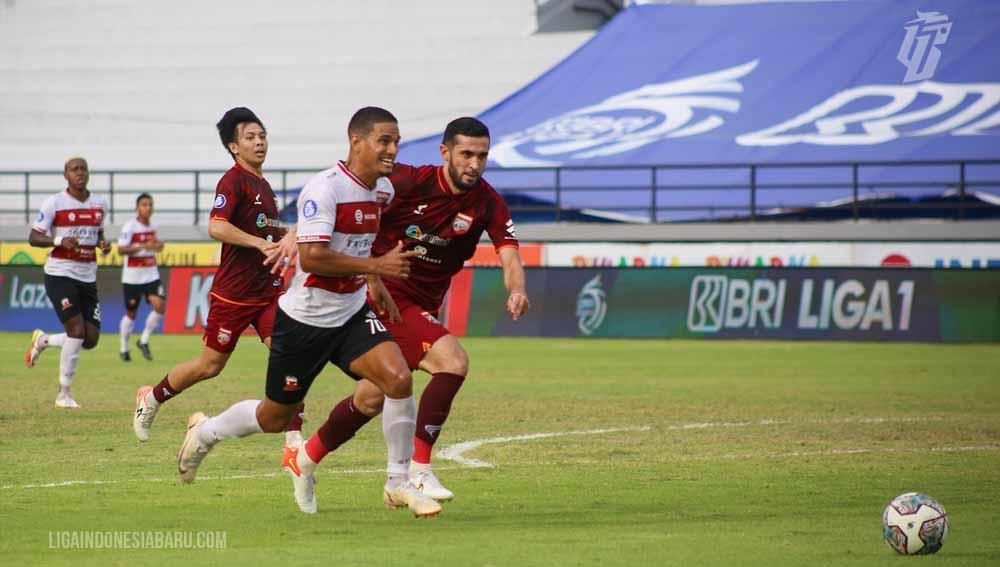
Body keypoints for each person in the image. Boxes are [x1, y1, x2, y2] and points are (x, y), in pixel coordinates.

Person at [177, 107, 441, 518]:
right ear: (357, 142)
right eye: (384, 141)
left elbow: (360, 239)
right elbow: (314, 258)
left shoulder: (382, 191)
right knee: (274, 416)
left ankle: (398, 482)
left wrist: (373, 282)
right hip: (304, 321)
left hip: (350, 313)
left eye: (396, 141)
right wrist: (376, 268)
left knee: (398, 378)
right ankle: (207, 432)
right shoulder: (325, 188)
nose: (393, 150)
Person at [282, 117, 528, 502]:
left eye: (482, 156)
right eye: (466, 154)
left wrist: (517, 289)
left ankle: (306, 457)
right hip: (386, 294)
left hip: (423, 304)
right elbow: (348, 194)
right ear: (445, 152)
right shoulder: (409, 181)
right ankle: (418, 472)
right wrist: (302, 230)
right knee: (452, 362)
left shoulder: (488, 202)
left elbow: (509, 254)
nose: (474, 164)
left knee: (370, 398)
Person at [132, 107, 299, 442]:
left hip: (268, 292)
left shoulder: (265, 187)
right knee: (210, 366)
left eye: (262, 135)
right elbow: (216, 225)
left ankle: (294, 439)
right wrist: (258, 243)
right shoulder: (233, 180)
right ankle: (151, 398)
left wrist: (291, 234)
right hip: (234, 295)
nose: (259, 142)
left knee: (289, 352)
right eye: (250, 137)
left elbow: (266, 232)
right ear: (234, 147)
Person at [25, 157, 112, 408]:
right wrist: (58, 241)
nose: (80, 173)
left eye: (83, 169)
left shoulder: (100, 204)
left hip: (88, 276)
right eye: (74, 169)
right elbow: (33, 237)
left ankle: (43, 341)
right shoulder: (55, 203)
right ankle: (64, 393)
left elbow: (99, 235)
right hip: (60, 274)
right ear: (66, 175)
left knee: (90, 338)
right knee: (76, 331)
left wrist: (103, 244)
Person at [117, 193, 166, 362]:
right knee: (131, 313)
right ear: (137, 208)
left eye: (150, 205)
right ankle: (124, 347)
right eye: (144, 204)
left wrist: (158, 246)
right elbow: (121, 250)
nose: (148, 208)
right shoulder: (129, 227)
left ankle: (143, 340)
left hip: (151, 274)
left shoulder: (154, 226)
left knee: (160, 305)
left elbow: (156, 246)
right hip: (132, 277)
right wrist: (144, 246)